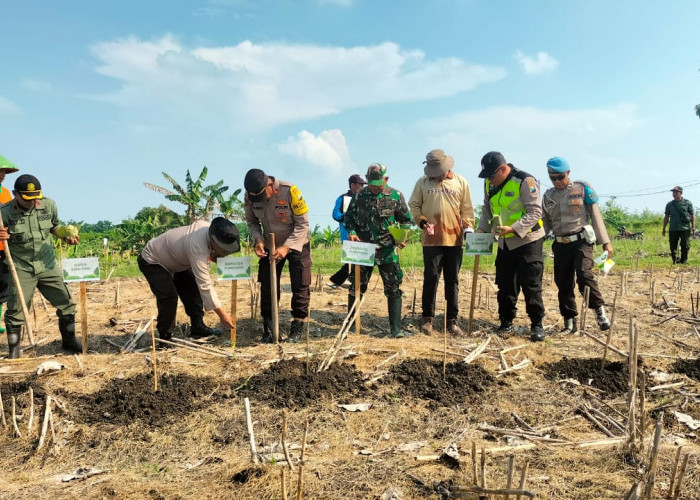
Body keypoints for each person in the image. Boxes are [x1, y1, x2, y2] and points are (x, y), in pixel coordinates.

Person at [0, 174, 82, 358]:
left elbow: (54, 227)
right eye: (28, 198)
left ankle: (69, 341)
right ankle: (14, 350)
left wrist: (65, 236)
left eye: (36, 197)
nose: (33, 202)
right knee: (16, 310)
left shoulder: (48, 205)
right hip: (21, 267)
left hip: (47, 264)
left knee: (66, 302)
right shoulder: (3, 212)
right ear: (15, 194)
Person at [475, 152, 546, 341]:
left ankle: (536, 324)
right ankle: (506, 322)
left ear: (504, 169)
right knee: (505, 284)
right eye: (487, 176)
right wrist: (482, 229)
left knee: (531, 284)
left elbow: (535, 212)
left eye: (492, 175)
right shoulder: (489, 183)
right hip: (504, 242)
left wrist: (514, 229)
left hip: (528, 240)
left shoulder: (525, 181)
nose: (490, 179)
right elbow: (487, 209)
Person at [138, 217, 240, 343]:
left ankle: (198, 327)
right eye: (223, 249)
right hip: (153, 260)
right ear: (213, 241)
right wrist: (222, 315)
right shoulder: (197, 246)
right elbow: (205, 284)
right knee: (169, 297)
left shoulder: (207, 230)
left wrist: (214, 254)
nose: (223, 252)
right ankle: (164, 336)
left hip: (178, 261)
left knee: (192, 289)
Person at [541, 157, 612, 335]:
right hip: (560, 244)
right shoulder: (548, 196)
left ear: (568, 174)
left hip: (581, 241)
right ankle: (569, 321)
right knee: (563, 282)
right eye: (552, 178)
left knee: (584, 274)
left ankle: (599, 311)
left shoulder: (583, 189)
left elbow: (596, 216)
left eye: (560, 177)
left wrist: (606, 242)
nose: (557, 181)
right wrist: (536, 239)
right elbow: (545, 222)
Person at [343, 163, 414, 338]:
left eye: (378, 183)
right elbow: (349, 219)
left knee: (393, 288)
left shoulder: (395, 196)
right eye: (371, 183)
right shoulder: (359, 196)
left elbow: (406, 219)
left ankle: (395, 330)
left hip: (387, 250)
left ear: (386, 179)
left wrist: (403, 236)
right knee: (357, 287)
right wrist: (351, 232)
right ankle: (352, 327)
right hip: (363, 250)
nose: (375, 187)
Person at [408, 149, 474, 335]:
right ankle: (427, 318)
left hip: (454, 240)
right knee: (431, 278)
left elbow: (467, 209)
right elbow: (414, 205)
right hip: (431, 239)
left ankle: (451, 321)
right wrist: (419, 218)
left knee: (452, 281)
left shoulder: (461, 182)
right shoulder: (422, 183)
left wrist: (468, 227)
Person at [244, 168, 311, 343]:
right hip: (269, 244)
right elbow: (252, 222)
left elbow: (302, 225)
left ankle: (298, 326)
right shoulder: (250, 196)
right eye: (254, 198)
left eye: (261, 195)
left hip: (297, 242)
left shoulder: (290, 191)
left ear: (270, 185)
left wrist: (287, 247)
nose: (258, 200)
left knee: (300, 283)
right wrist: (258, 240)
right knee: (267, 285)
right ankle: (270, 328)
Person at [327, 174, 366, 289]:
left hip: (363, 233)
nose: (362, 187)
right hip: (347, 234)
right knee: (352, 258)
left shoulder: (364, 198)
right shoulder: (343, 198)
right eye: (360, 185)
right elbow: (335, 214)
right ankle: (340, 280)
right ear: (352, 185)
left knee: (358, 258)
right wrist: (347, 217)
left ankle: (341, 280)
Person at [0, 154, 20, 335]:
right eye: (0, 171)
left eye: (4, 171)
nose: (2, 174)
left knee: (1, 290)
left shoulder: (6, 194)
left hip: (3, 250)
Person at [662, 186, 695, 264]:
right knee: (673, 246)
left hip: (685, 228)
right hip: (673, 228)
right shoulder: (669, 204)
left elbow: (692, 215)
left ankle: (684, 261)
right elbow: (666, 217)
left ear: (681, 193)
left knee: (685, 245)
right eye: (673, 192)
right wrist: (664, 228)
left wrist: (693, 226)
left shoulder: (687, 203)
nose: (674, 194)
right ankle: (675, 260)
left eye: (676, 192)